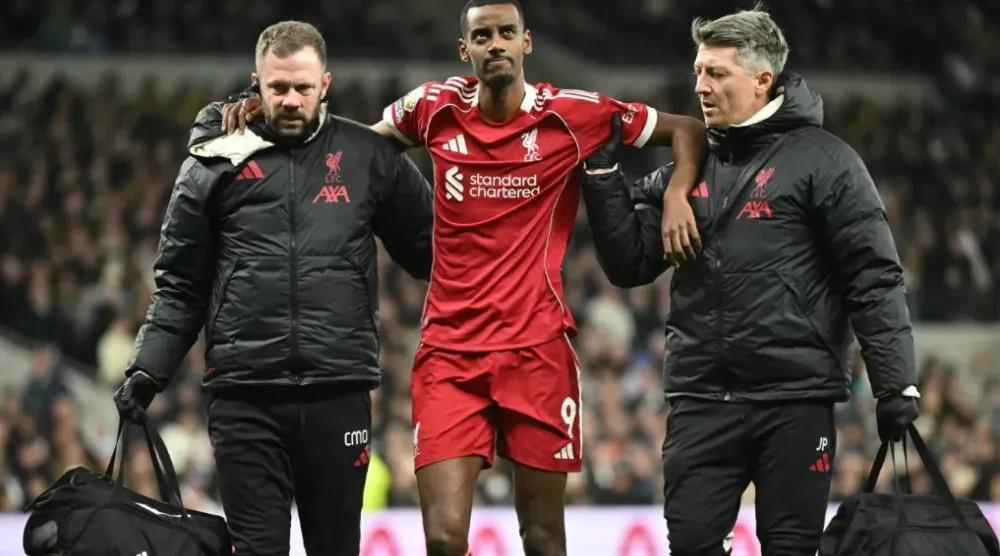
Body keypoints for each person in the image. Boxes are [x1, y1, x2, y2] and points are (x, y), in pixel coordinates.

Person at [222, 2, 705, 554]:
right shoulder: (434, 108)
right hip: (451, 352)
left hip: (538, 348)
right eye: (482, 35)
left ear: (526, 43)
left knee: (543, 536)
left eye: (506, 33)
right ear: (465, 49)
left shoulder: (575, 113)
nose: (495, 43)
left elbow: (686, 130)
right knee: (445, 537)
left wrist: (674, 195)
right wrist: (266, 109)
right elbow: (353, 147)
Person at [578, 8, 920, 556]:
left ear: (763, 79)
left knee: (790, 547)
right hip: (701, 397)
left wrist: (895, 382)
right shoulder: (685, 173)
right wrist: (601, 177)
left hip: (795, 397)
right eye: (698, 72)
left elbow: (873, 276)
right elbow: (630, 265)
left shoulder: (828, 162)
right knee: (690, 544)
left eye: (717, 73)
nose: (700, 87)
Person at [113, 21, 434, 556]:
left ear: (325, 84)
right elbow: (180, 284)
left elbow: (433, 252)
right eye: (277, 87)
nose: (290, 99)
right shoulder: (212, 161)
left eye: (302, 88)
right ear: (255, 84)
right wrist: (147, 369)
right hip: (244, 400)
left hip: (339, 393)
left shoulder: (369, 155)